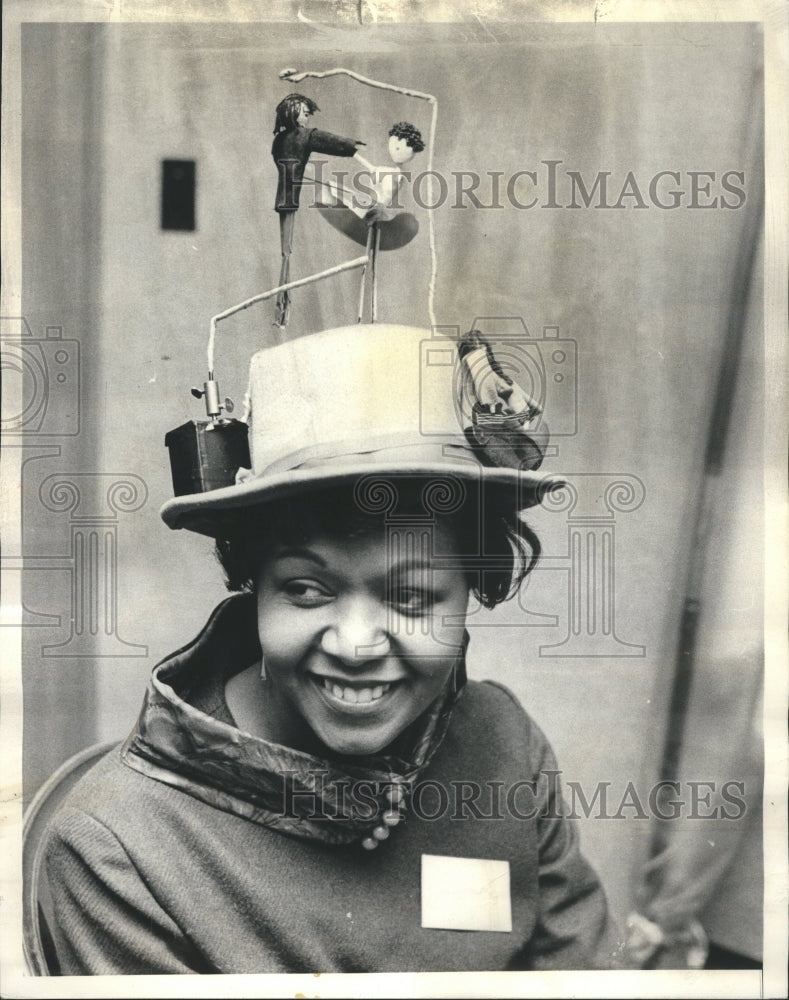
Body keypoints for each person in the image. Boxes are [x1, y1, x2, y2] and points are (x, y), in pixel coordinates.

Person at [42, 323, 623, 974]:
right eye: (306, 589)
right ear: (250, 581)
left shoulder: (504, 743)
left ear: (471, 592)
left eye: (410, 598)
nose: (353, 645)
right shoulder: (118, 848)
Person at [271, 93, 366, 326]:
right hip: (289, 195)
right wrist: (351, 147)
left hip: (285, 196)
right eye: (304, 113)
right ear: (293, 113)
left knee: (286, 250)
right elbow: (325, 140)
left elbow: (287, 163)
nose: (306, 117)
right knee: (287, 250)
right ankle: (283, 305)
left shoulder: (279, 140)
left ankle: (282, 305)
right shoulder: (302, 136)